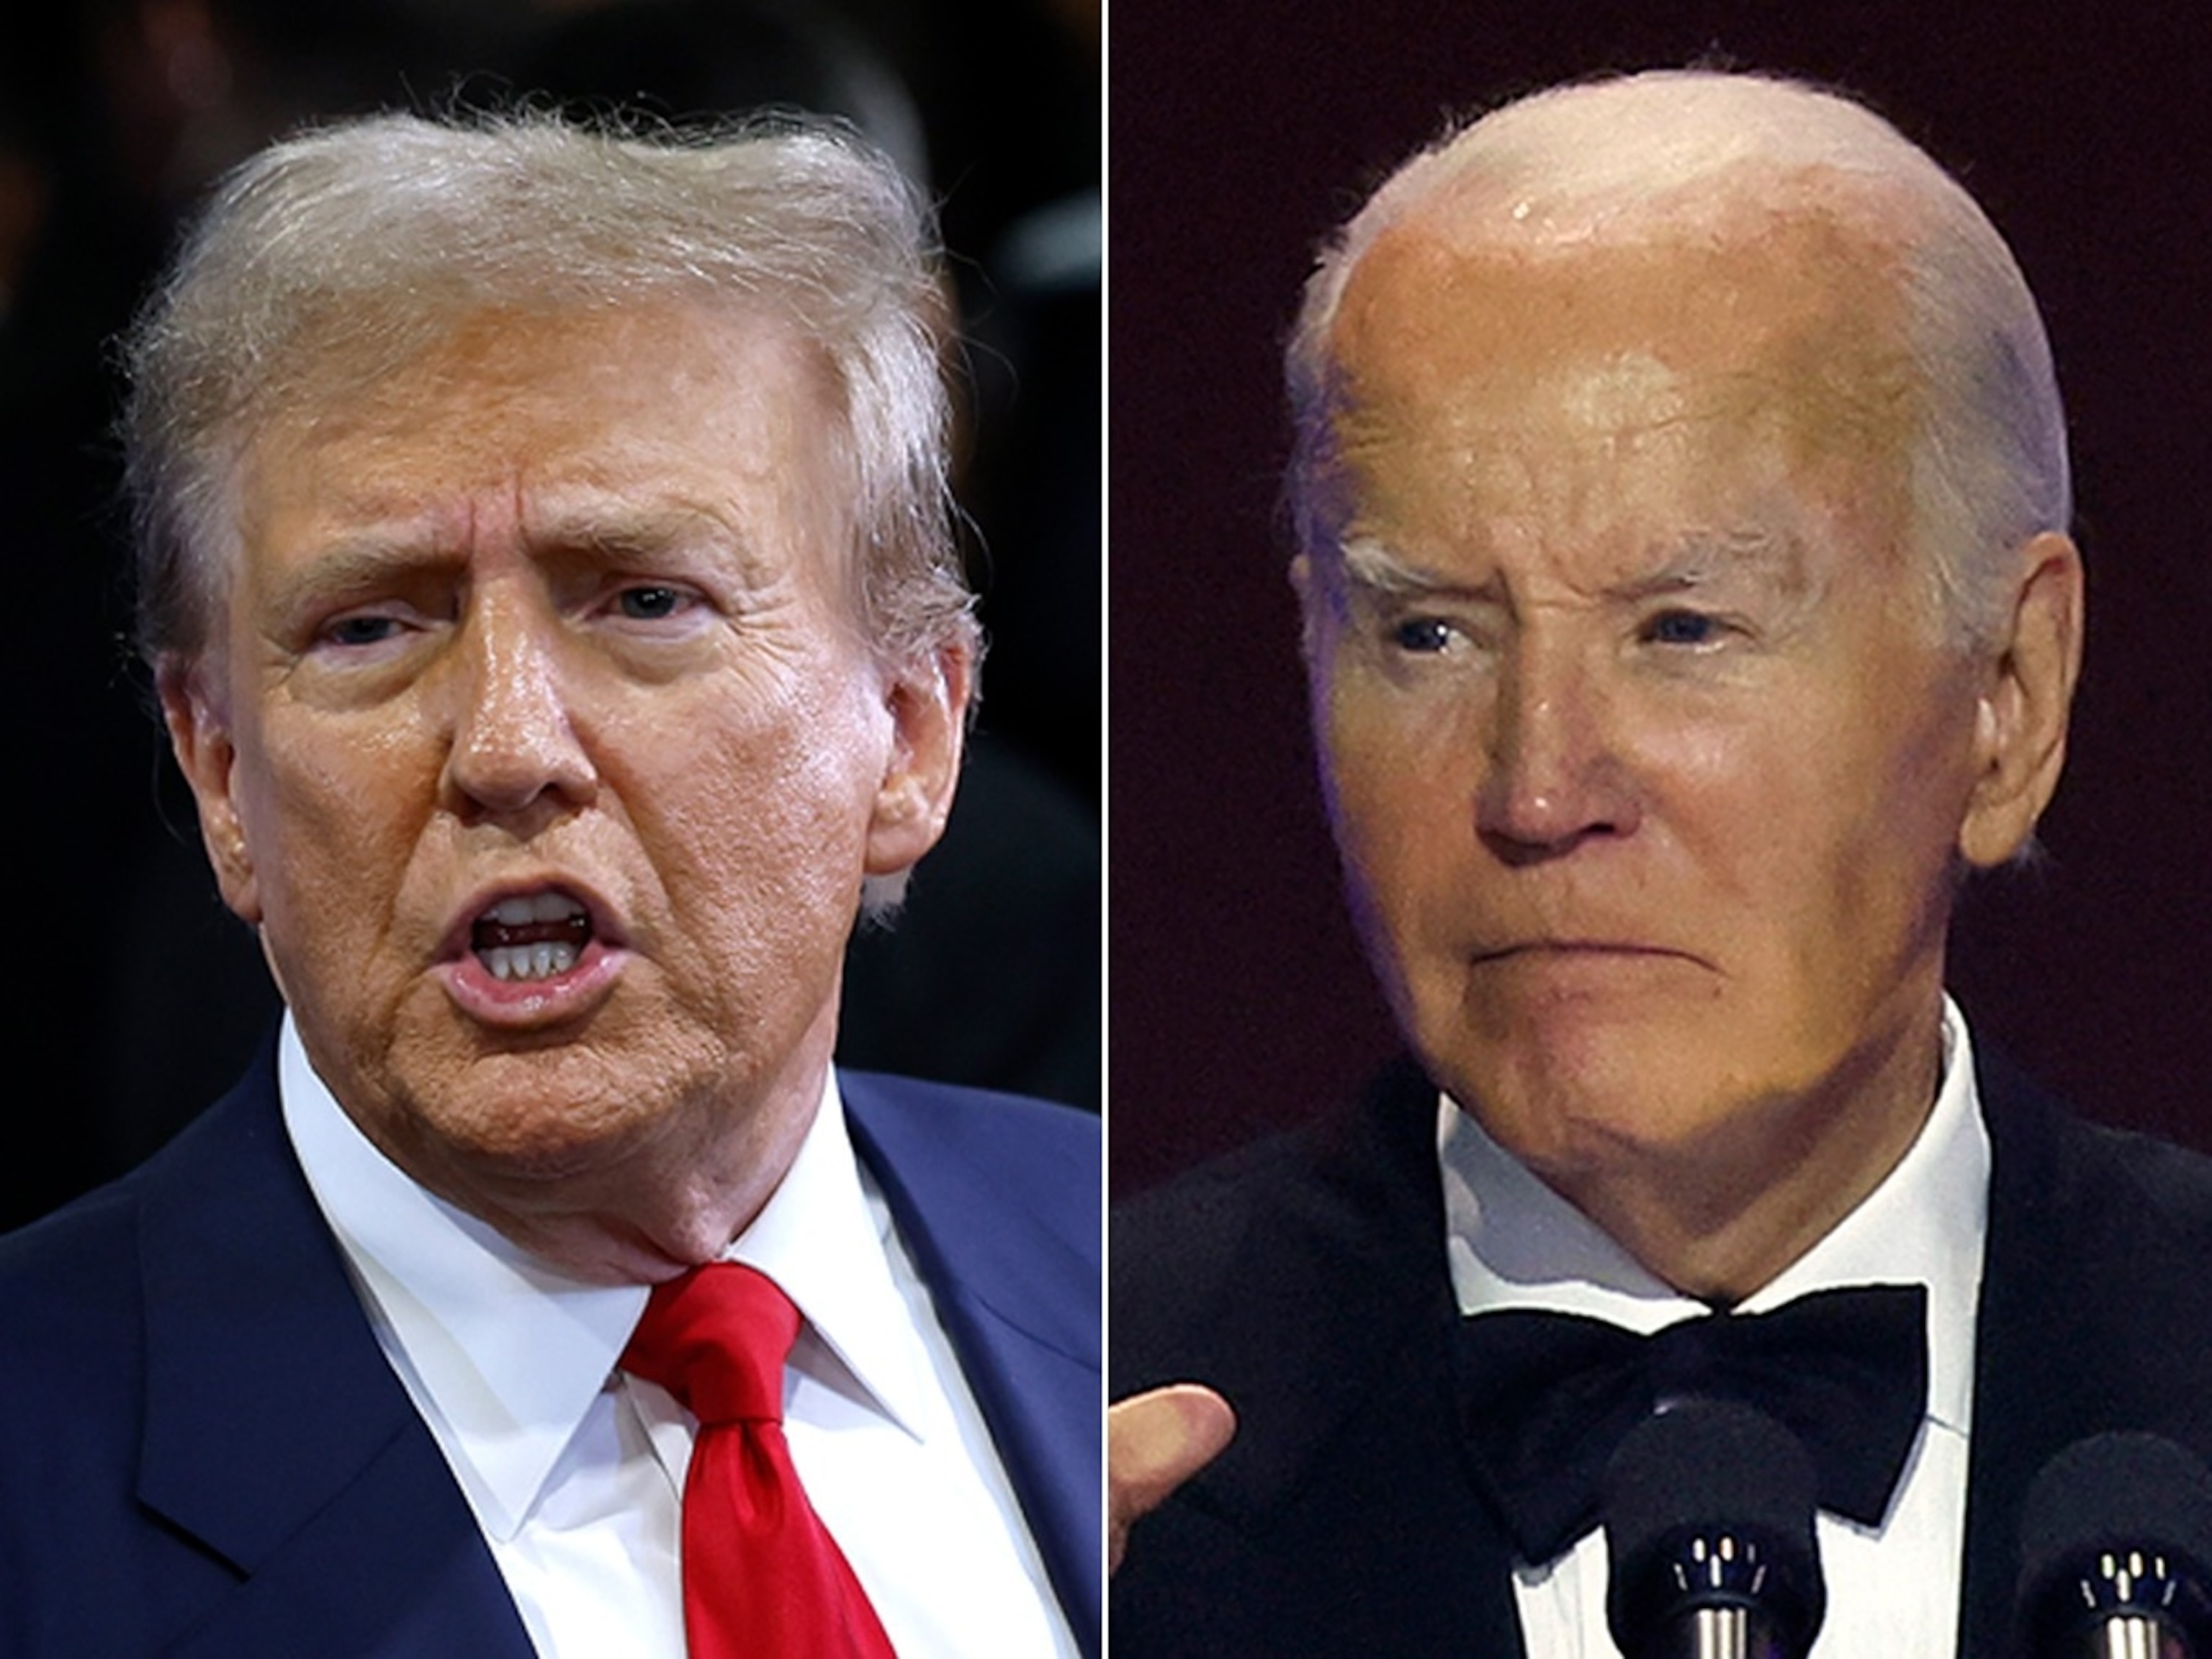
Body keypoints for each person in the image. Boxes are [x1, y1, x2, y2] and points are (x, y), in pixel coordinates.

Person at [1110, 68, 2212, 1656]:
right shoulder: (1068, 1428)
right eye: (1429, 632)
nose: (1539, 788)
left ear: (2009, 696)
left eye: (1683, 628)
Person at [0, 109, 1098, 1658]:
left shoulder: (1144, 1283)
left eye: (647, 601)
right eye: (374, 627)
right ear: (223, 775)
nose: (509, 747)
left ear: (913, 733)